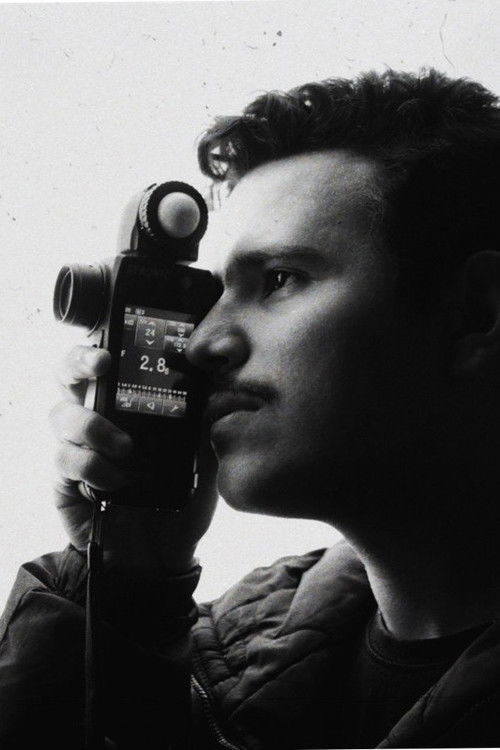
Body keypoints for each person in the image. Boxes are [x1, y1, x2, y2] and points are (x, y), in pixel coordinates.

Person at [1, 68, 500, 749]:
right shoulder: (218, 669)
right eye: (214, 295)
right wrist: (126, 586)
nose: (202, 342)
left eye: (279, 280)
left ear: (478, 310)